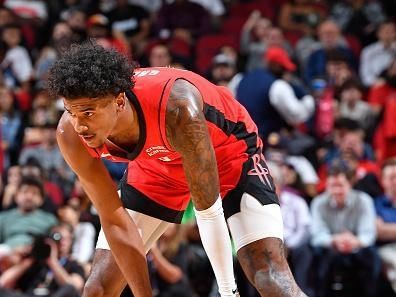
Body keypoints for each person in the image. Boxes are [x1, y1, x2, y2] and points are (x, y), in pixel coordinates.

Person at [47, 42, 306, 297]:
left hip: (228, 155)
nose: (79, 125)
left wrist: (229, 291)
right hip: (156, 167)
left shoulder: (177, 107)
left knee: (269, 277)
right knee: (98, 290)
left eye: (88, 113)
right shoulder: (70, 135)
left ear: (119, 101)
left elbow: (208, 212)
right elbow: (114, 221)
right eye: (71, 112)